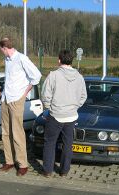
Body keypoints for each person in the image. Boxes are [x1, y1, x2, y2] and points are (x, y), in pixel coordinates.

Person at [0, 37, 42, 176]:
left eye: (1, 50)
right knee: (5, 132)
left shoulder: (22, 59)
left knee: (17, 133)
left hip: (17, 99)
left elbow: (37, 76)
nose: (2, 52)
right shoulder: (7, 60)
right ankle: (9, 161)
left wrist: (25, 92)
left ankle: (23, 164)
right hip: (6, 98)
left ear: (5, 48)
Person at [41, 49, 87, 177]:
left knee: (50, 143)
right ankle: (64, 171)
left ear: (59, 60)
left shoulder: (53, 75)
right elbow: (83, 96)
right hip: (71, 116)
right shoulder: (79, 77)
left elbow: (45, 95)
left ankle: (48, 170)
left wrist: (49, 108)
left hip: (56, 115)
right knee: (68, 144)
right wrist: (74, 107)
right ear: (71, 61)